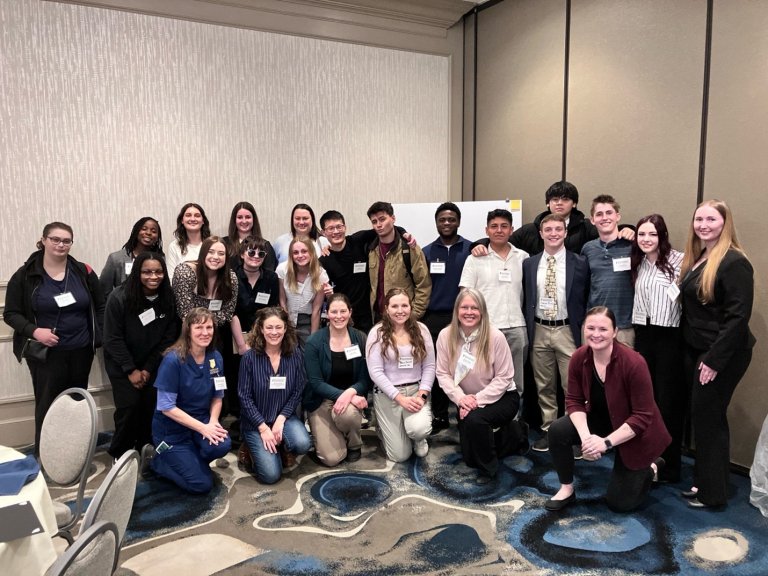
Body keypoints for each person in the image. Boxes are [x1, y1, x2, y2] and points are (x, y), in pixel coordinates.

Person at [545, 307, 670, 513]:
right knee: (557, 430)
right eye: (590, 328)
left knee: (620, 504)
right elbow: (574, 401)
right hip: (603, 419)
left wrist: (605, 443)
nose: (596, 334)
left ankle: (652, 466)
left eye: (603, 329)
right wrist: (587, 439)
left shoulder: (634, 363)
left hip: (636, 431)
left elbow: (642, 417)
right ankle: (566, 488)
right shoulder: (579, 357)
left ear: (615, 332)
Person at [4, 222, 105, 455]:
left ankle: (75, 454)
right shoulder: (26, 275)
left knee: (76, 404)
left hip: (81, 350)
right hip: (46, 355)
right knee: (48, 405)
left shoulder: (83, 271)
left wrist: (97, 335)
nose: (61, 244)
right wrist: (35, 331)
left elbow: (100, 305)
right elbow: (10, 313)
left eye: (66, 240)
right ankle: (48, 456)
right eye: (55, 239)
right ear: (44, 240)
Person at [679, 199, 755, 508]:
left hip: (721, 353)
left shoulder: (734, 262)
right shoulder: (700, 257)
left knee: (709, 420)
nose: (704, 225)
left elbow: (738, 317)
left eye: (711, 219)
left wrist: (714, 361)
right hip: (700, 348)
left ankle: (713, 495)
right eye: (699, 219)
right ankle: (707, 483)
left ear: (725, 223)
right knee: (705, 418)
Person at [436, 289, 525, 484]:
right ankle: (514, 435)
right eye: (464, 307)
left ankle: (489, 469)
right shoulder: (445, 336)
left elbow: (505, 377)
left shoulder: (495, 337)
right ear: (456, 310)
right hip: (466, 399)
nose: (469, 312)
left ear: (482, 311)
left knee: (475, 421)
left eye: (475, 308)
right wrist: (461, 399)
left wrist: (476, 400)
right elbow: (442, 374)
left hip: (503, 397)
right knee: (469, 457)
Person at [523, 214, 589, 451]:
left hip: (567, 330)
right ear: (541, 234)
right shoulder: (529, 264)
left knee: (572, 387)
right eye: (548, 229)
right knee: (544, 386)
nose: (553, 233)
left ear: (566, 232)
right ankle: (549, 430)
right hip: (539, 329)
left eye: (558, 229)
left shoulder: (580, 263)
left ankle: (574, 435)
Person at [147, 307, 231, 494]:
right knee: (201, 485)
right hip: (172, 431)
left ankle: (191, 461)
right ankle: (157, 462)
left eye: (209, 327)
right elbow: (167, 407)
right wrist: (203, 428)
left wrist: (213, 422)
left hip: (200, 421)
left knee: (222, 444)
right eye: (199, 328)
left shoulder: (215, 357)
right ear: (188, 330)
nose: (205, 333)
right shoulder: (173, 360)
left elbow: (218, 395)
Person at [103, 252, 178, 460]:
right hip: (122, 364)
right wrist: (131, 369)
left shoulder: (167, 297)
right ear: (137, 272)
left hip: (152, 364)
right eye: (146, 272)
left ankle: (146, 449)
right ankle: (121, 453)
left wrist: (147, 368)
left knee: (152, 407)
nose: (153, 276)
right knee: (129, 408)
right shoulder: (119, 297)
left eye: (158, 271)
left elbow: (168, 338)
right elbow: (112, 338)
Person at [630, 214, 684, 482]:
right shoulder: (638, 262)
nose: (646, 239)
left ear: (662, 236)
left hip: (670, 338)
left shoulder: (679, 261)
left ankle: (670, 464)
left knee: (668, 402)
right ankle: (649, 459)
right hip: (644, 335)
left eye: (652, 234)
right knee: (646, 400)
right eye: (641, 234)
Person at [459, 208, 528, 398]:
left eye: (504, 226)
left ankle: (513, 423)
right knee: (483, 379)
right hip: (485, 329)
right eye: (494, 226)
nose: (499, 230)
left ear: (512, 230)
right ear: (486, 230)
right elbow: (465, 295)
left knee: (516, 382)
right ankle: (486, 420)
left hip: (517, 328)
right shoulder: (474, 259)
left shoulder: (523, 258)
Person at [238, 307, 311, 484]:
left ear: (285, 328)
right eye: (269, 327)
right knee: (270, 475)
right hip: (256, 422)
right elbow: (244, 397)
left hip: (283, 417)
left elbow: (297, 390)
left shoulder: (295, 354)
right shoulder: (249, 358)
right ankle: (250, 448)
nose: (274, 332)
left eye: (278, 327)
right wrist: (263, 428)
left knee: (302, 443)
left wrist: (281, 419)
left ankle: (279, 446)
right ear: (261, 329)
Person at [366, 288, 435, 462]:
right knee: (400, 456)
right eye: (394, 306)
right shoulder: (377, 333)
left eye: (404, 305)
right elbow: (375, 372)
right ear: (386, 309)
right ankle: (384, 428)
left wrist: (422, 394)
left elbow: (429, 366)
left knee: (418, 432)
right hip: (388, 395)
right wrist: (400, 398)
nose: (400, 311)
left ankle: (418, 438)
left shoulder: (422, 330)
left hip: (416, 391)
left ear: (410, 307)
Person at [422, 202, 472, 434]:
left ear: (458, 222)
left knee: (465, 368)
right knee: (438, 369)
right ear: (436, 222)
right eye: (442, 219)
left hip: (464, 319)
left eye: (451, 219)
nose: (447, 223)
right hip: (434, 318)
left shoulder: (471, 249)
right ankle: (440, 415)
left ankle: (467, 412)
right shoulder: (427, 252)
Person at [304, 294, 371, 466]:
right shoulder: (315, 342)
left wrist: (350, 393)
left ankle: (354, 444)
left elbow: (365, 378)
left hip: (349, 401)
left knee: (348, 415)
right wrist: (344, 395)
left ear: (350, 313)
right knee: (332, 459)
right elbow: (315, 382)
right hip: (321, 400)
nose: (339, 316)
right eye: (334, 311)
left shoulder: (360, 338)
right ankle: (337, 434)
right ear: (327, 313)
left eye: (343, 311)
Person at [228, 236, 280, 428]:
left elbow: (272, 311)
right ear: (242, 254)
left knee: (261, 378)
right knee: (239, 378)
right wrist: (242, 344)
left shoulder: (271, 278)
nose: (255, 256)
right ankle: (242, 423)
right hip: (236, 335)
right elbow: (231, 312)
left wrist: (261, 339)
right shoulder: (231, 277)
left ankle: (261, 418)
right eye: (251, 252)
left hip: (263, 334)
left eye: (261, 253)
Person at [580, 195, 635, 347]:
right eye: (599, 214)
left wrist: (634, 233)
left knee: (624, 370)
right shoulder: (588, 249)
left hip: (624, 325)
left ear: (618, 216)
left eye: (609, 213)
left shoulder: (632, 246)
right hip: (594, 326)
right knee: (592, 369)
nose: (604, 218)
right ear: (592, 220)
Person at [276, 237, 330, 344]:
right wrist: (285, 326)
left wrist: (313, 338)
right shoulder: (282, 270)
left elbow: (316, 310)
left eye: (304, 251)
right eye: (295, 252)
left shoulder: (321, 274)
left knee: (308, 353)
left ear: (311, 252)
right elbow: (282, 301)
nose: (300, 255)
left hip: (308, 321)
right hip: (287, 319)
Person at [100, 217, 164, 299]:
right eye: (144, 229)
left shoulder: (160, 258)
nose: (148, 233)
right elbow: (104, 290)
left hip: (152, 307)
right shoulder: (116, 258)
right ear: (136, 231)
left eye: (153, 231)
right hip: (124, 308)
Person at [222, 201, 277, 272]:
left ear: (253, 219)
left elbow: (269, 274)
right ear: (234, 220)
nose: (244, 221)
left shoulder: (265, 245)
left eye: (248, 217)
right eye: (240, 217)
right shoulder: (224, 243)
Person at [165, 203, 211, 279]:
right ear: (182, 220)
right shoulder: (174, 246)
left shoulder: (212, 244)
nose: (192, 219)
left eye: (197, 215)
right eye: (188, 215)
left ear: (203, 221)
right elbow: (171, 277)